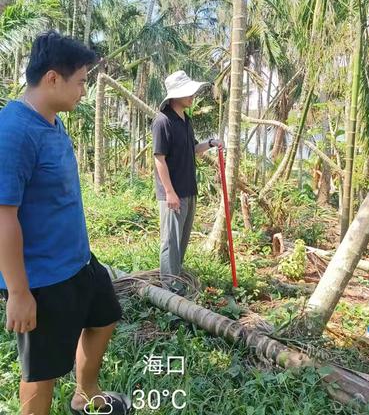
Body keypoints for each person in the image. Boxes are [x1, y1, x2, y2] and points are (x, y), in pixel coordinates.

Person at [0, 31, 131, 415]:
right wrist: (20, 293)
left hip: (77, 261)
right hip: (42, 276)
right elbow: (3, 216)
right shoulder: (13, 132)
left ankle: (85, 395)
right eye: (81, 82)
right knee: (41, 373)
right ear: (53, 78)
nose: (84, 91)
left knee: (104, 319)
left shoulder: (52, 122)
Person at [152, 70, 222, 286]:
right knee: (170, 241)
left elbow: (193, 149)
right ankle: (169, 287)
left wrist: (210, 144)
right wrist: (170, 192)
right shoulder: (163, 121)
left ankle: (176, 277)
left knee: (182, 240)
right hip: (173, 193)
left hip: (189, 189)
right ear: (175, 96)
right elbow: (159, 159)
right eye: (188, 92)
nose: (193, 96)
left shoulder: (185, 120)